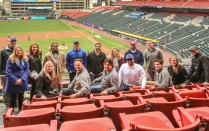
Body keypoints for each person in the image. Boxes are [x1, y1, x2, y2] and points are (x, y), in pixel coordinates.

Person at [5, 46, 29, 111]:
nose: (19, 52)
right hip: (13, 81)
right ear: (15, 51)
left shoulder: (25, 59)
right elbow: (8, 71)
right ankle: (10, 113)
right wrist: (15, 80)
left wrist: (22, 79)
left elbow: (26, 70)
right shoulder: (10, 59)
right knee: (12, 97)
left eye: (20, 50)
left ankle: (20, 110)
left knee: (21, 96)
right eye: (17, 50)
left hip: (22, 81)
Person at [0, 36, 17, 108]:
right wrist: (1, 73)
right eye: (11, 41)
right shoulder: (3, 51)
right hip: (5, 73)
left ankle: (14, 102)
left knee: (15, 88)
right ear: (9, 41)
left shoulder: (17, 50)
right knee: (6, 89)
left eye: (14, 41)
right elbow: (0, 62)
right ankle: (7, 103)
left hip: (15, 73)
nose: (13, 42)